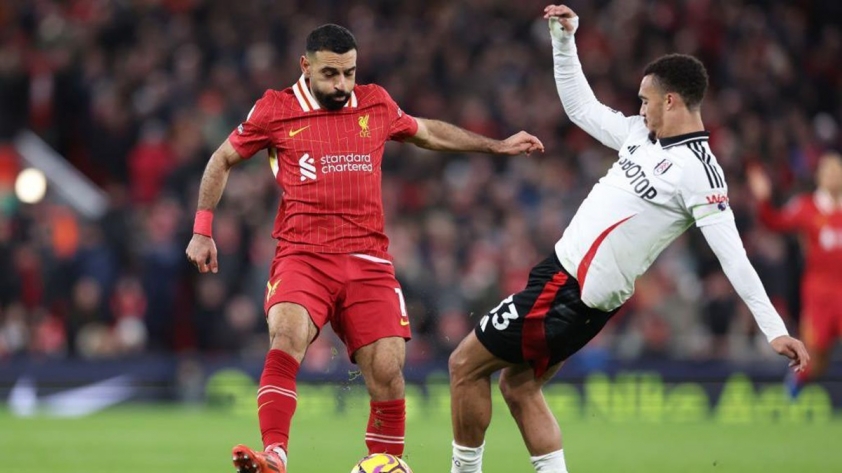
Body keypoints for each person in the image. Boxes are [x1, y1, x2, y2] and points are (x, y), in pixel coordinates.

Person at [447, 5, 810, 473]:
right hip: (561, 278)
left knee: (463, 365)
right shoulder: (641, 135)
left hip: (570, 291)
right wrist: (564, 41)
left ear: (671, 101)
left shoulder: (700, 173)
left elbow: (733, 257)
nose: (640, 109)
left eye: (645, 100)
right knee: (519, 386)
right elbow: (581, 108)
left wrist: (773, 328)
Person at [185, 24, 543, 473]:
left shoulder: (375, 103)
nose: (342, 84)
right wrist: (202, 229)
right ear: (306, 66)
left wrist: (496, 146)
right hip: (303, 255)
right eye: (330, 74)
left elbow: (427, 132)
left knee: (388, 371)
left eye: (349, 73)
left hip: (369, 261)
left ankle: (384, 464)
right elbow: (222, 158)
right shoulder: (275, 108)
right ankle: (275, 455)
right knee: (287, 336)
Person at [747, 152, 842, 396]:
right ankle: (793, 389)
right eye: (828, 170)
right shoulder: (807, 207)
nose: (833, 175)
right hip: (819, 294)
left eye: (837, 170)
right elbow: (775, 222)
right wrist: (763, 199)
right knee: (816, 359)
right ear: (819, 176)